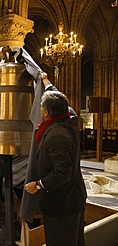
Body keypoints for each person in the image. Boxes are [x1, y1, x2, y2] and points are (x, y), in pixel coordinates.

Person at [24, 72, 87, 246]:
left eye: (42, 107)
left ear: (46, 112)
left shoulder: (56, 135)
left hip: (63, 204)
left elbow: (62, 173)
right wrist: (46, 82)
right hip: (72, 199)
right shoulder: (70, 118)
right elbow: (61, 101)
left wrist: (38, 184)